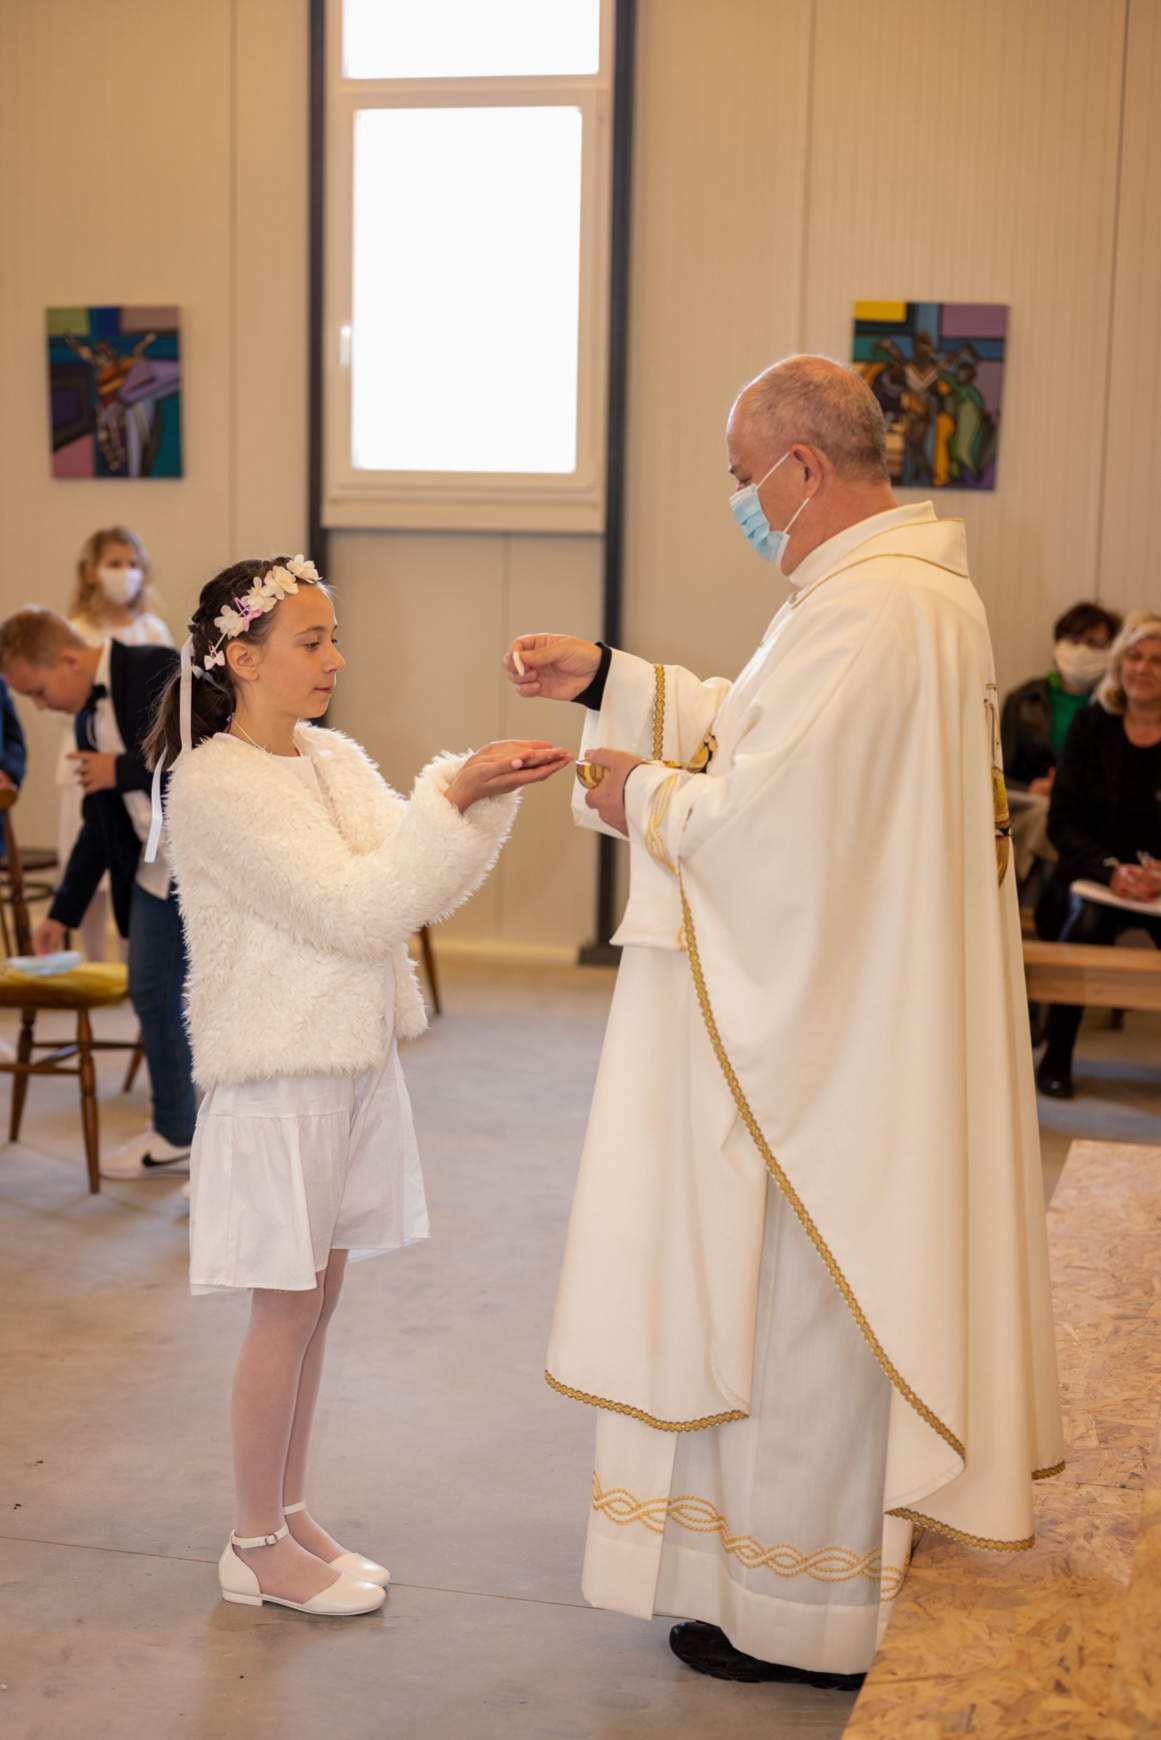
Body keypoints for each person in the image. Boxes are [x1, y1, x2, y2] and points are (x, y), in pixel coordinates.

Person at [505, 356, 1063, 1685]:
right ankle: (772, 1593)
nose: (740, 503)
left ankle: (809, 1621)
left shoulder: (873, 611)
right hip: (859, 1012)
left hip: (834, 1045)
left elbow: (771, 821)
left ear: (802, 469)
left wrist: (635, 793)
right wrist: (612, 677)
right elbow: (763, 733)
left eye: (742, 477)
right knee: (792, 1319)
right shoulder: (881, 594)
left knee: (809, 1319)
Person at [153, 553, 570, 1617]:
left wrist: (471, 799)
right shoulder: (215, 784)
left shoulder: (328, 756)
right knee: (285, 1304)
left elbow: (413, 878)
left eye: (335, 637)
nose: (336, 659)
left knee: (319, 1299)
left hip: (349, 1059)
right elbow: (353, 911)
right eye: (312, 641)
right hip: (281, 1070)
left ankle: (289, 1512)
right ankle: (252, 1542)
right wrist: (452, 792)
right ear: (243, 659)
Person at [0, 607, 194, 1178]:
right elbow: (98, 823)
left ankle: (193, 1131)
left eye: (37, 692)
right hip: (153, 867)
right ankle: (178, 1133)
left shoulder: (153, 666)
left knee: (190, 998)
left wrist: (121, 770)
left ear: (66, 660)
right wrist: (61, 913)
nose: (40, 706)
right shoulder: (87, 718)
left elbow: (204, 751)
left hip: (204, 859)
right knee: (150, 990)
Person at [1033, 610, 1161, 1099]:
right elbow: (1061, 821)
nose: (1143, 668)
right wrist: (1111, 870)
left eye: (1156, 660)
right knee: (1085, 923)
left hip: (1157, 883)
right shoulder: (1090, 725)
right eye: (1134, 656)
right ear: (1120, 662)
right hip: (1093, 872)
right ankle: (1058, 1055)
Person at [58, 527, 173, 961]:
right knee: (92, 857)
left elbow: (170, 705)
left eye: (132, 564)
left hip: (142, 761)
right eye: (114, 564)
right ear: (89, 571)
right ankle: (94, 960)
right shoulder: (78, 631)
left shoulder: (152, 629)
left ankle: (134, 954)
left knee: (135, 863)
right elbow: (69, 704)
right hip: (87, 759)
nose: (125, 573)